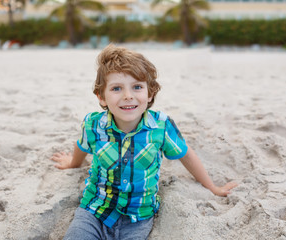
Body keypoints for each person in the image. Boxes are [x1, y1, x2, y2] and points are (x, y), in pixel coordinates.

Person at [51, 44, 238, 240]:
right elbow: (82, 145)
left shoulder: (161, 127)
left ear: (149, 94)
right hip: (94, 211)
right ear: (102, 97)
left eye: (137, 87)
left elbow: (186, 154)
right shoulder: (93, 124)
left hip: (138, 217)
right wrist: (73, 162)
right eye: (116, 88)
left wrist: (212, 187)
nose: (128, 96)